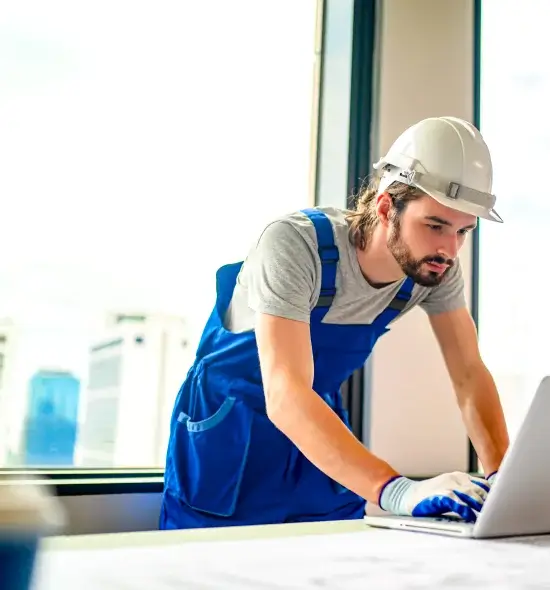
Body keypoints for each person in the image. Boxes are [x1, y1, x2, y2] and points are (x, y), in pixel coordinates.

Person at [159, 116, 511, 530]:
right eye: (434, 225)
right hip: (228, 439)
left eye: (463, 231)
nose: (449, 250)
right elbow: (287, 391)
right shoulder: (295, 245)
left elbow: (469, 374)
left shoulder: (434, 269)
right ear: (385, 208)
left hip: (318, 443)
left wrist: (503, 483)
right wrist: (397, 490)